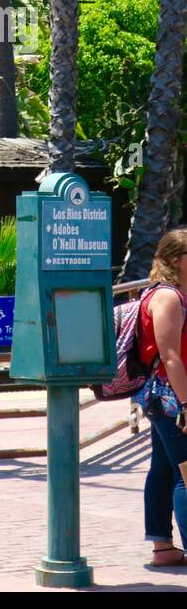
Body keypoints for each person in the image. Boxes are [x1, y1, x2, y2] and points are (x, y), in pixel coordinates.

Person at [137, 227, 187, 566]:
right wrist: (186, 404)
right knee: (186, 472)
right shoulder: (168, 297)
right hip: (171, 396)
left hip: (163, 395)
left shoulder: (170, 293)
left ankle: (162, 547)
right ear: (174, 260)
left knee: (164, 469)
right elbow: (170, 356)